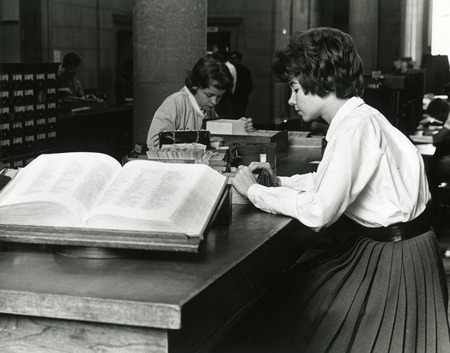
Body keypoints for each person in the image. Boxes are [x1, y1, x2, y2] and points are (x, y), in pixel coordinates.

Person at [232, 27, 450, 352]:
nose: (291, 100)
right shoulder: (362, 118)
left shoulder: (355, 128)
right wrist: (280, 183)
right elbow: (335, 180)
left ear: (324, 81)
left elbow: (320, 211)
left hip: (393, 263)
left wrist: (254, 193)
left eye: (294, 88)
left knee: (287, 304)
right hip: (405, 254)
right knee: (293, 292)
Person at [146, 55, 253, 148]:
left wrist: (238, 126)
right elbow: (154, 143)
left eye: (219, 97)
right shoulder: (175, 104)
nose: (214, 102)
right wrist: (200, 141)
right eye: (209, 95)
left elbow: (216, 136)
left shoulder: (206, 107)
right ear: (194, 86)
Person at [230, 51, 253, 117]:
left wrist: (243, 94)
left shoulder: (244, 70)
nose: (232, 60)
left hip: (241, 97)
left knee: (239, 114)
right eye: (231, 58)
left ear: (239, 59)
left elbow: (249, 85)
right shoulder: (231, 68)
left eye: (234, 58)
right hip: (234, 97)